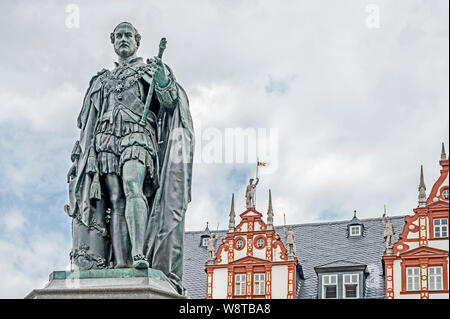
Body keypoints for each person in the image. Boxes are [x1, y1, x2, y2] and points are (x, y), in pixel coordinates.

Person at [66, 22, 194, 294]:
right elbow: (89, 122)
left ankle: (138, 253)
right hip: (106, 138)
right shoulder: (101, 80)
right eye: (119, 36)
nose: (123, 40)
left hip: (137, 135)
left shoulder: (148, 70)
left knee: (133, 187)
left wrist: (162, 79)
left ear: (137, 41)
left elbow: (170, 101)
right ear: (112, 42)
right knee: (115, 199)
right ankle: (121, 260)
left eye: (128, 36)